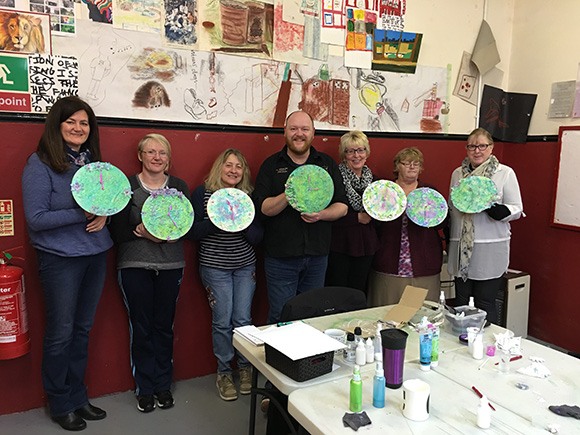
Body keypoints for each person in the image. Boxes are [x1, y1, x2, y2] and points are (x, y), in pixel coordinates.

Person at [21, 96, 112, 431]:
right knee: (61, 333)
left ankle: (78, 396)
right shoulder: (40, 163)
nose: (78, 128)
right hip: (60, 259)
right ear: (56, 125)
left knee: (82, 330)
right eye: (71, 121)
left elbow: (107, 203)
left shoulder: (93, 164)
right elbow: (36, 219)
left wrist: (104, 214)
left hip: (95, 254)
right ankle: (60, 403)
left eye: (84, 123)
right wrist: (82, 213)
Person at [109, 133, 190, 413]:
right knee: (141, 327)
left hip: (171, 265)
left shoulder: (178, 186)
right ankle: (144, 388)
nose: (157, 157)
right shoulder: (127, 187)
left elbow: (185, 225)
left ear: (168, 158)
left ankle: (162, 385)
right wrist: (142, 232)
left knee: (163, 326)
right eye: (151, 151)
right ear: (140, 155)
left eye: (162, 152)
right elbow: (116, 231)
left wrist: (166, 237)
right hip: (134, 265)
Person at [253, 111, 348, 324]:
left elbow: (342, 207)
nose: (299, 134)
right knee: (281, 317)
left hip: (317, 256)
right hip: (280, 257)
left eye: (305, 129)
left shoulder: (326, 164)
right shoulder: (271, 165)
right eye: (294, 129)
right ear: (285, 132)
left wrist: (321, 214)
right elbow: (263, 208)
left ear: (313, 132)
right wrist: (290, 193)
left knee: (312, 317)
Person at [191, 149, 262, 402]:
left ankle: (245, 368)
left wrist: (240, 221)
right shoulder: (203, 193)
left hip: (244, 266)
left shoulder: (248, 196)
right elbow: (192, 231)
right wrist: (219, 219)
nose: (233, 170)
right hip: (214, 267)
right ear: (219, 168)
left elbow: (258, 237)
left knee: (243, 320)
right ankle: (224, 372)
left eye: (239, 166)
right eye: (228, 165)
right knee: (222, 322)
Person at [447, 128, 523, 324]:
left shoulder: (504, 173)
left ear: (491, 147)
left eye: (482, 146)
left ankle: (487, 341)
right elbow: (452, 207)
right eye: (472, 146)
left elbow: (517, 208)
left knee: (484, 301)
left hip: (490, 247)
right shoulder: (458, 174)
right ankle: (461, 338)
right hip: (461, 247)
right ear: (466, 149)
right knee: (462, 302)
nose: (477, 151)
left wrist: (496, 210)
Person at [368, 147, 446, 306]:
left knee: (422, 311)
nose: (412, 167)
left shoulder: (429, 192)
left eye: (416, 164)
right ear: (397, 166)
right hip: (388, 259)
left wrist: (429, 215)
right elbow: (373, 222)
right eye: (407, 163)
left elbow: (443, 222)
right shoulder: (385, 190)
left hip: (423, 262)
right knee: (387, 308)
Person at [325, 130, 379, 292]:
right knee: (338, 292)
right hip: (340, 245)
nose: (356, 155)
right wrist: (356, 218)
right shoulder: (333, 180)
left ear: (366, 153)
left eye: (360, 150)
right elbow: (326, 214)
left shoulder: (376, 183)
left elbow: (382, 215)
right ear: (344, 155)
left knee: (359, 292)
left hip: (367, 246)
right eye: (350, 151)